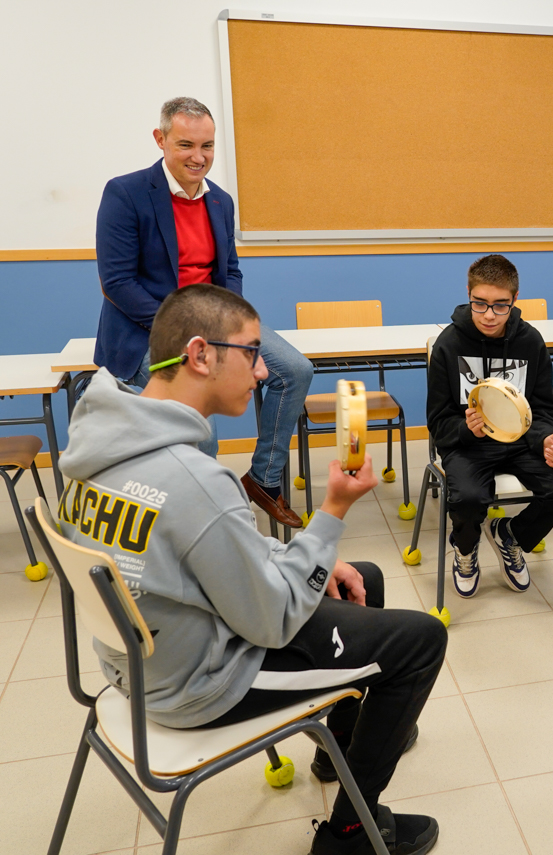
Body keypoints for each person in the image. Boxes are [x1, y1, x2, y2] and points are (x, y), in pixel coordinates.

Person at [58, 284, 446, 855]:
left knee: (362, 576)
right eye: (252, 352)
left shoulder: (98, 448)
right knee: (421, 641)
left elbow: (210, 549)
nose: (263, 371)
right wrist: (332, 512)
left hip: (136, 664)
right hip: (200, 683)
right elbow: (273, 620)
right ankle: (349, 835)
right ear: (200, 354)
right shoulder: (194, 480)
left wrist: (312, 555)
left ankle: (337, 748)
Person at [94, 96, 313, 529]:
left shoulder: (220, 201)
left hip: (213, 321)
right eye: (186, 145)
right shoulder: (125, 193)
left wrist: (230, 326)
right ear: (160, 140)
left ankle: (263, 480)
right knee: (202, 430)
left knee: (295, 370)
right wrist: (183, 330)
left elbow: (230, 272)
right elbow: (117, 282)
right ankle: (203, 524)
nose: (199, 157)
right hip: (149, 330)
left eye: (207, 146)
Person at [426, 254, 553, 597]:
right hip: (469, 445)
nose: (489, 315)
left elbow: (545, 408)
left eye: (500, 305)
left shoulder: (530, 341)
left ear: (515, 299)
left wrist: (545, 438)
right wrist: (466, 429)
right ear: (468, 294)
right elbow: (437, 420)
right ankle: (465, 550)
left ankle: (509, 534)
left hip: (521, 442)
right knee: (468, 498)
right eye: (479, 304)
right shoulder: (449, 344)